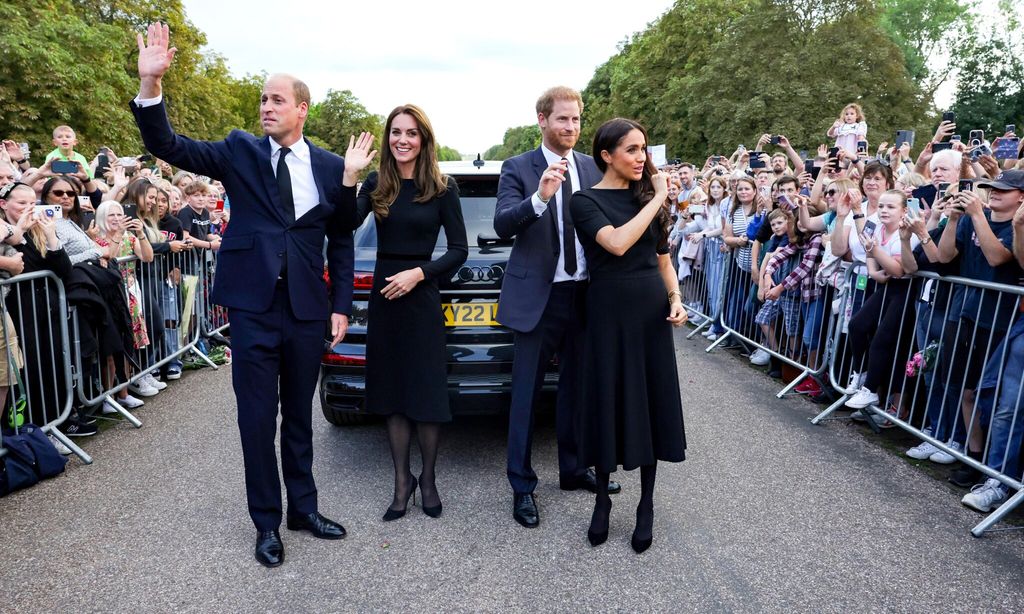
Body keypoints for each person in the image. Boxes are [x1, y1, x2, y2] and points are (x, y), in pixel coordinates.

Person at [131, 23, 355, 568]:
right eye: (262, 99)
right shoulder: (239, 152)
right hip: (253, 309)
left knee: (300, 415)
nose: (266, 107)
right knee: (257, 418)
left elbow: (342, 239)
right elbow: (168, 145)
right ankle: (267, 524)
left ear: (303, 108)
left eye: (277, 100)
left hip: (306, 309)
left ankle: (304, 509)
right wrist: (150, 87)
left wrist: (341, 307)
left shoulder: (329, 167)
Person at [493, 86, 620, 530]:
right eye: (563, 119)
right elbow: (502, 223)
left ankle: (572, 469)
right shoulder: (517, 168)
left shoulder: (592, 166)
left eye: (577, 120)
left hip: (584, 295)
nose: (571, 127)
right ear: (542, 120)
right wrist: (541, 197)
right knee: (526, 395)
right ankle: (522, 485)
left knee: (578, 390)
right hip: (537, 299)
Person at [570, 118, 687, 553]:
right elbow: (617, 244)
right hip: (606, 313)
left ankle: (647, 505)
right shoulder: (585, 201)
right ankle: (602, 500)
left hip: (649, 313)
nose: (643, 158)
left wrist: (675, 298)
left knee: (650, 402)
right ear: (607, 154)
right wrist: (657, 199)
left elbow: (663, 261)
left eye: (644, 150)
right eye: (633, 150)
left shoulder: (647, 199)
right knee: (608, 400)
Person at [345, 105, 468, 521]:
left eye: (411, 133)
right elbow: (343, 224)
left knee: (426, 393)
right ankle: (402, 482)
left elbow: (458, 250)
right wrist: (351, 177)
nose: (403, 140)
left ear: (424, 139)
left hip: (421, 296)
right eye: (396, 132)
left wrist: (419, 273)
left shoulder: (443, 187)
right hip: (385, 298)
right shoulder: (378, 183)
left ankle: (428, 479)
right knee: (394, 394)